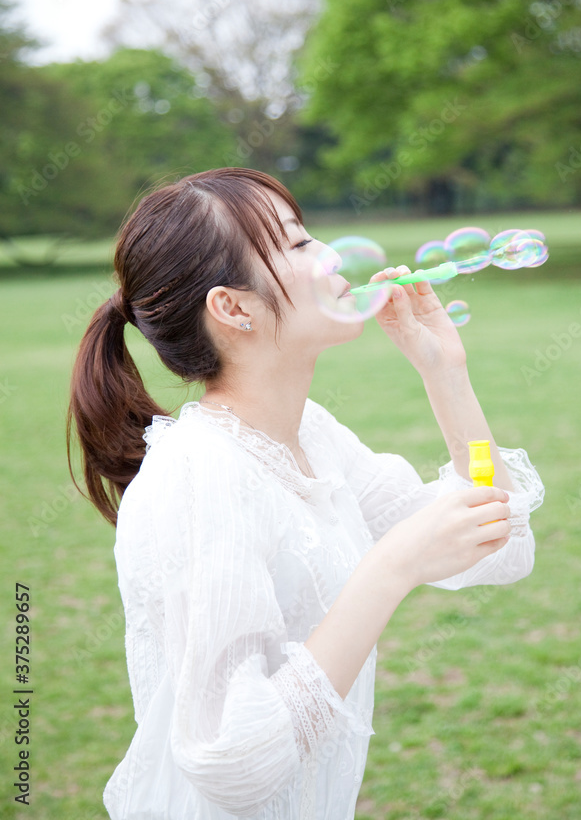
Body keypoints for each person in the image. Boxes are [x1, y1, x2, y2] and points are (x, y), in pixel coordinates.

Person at [67, 167, 544, 820]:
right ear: (233, 308)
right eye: (296, 243)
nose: (330, 255)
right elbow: (233, 761)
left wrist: (446, 374)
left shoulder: (312, 436)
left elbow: (501, 546)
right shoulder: (200, 474)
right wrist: (390, 568)